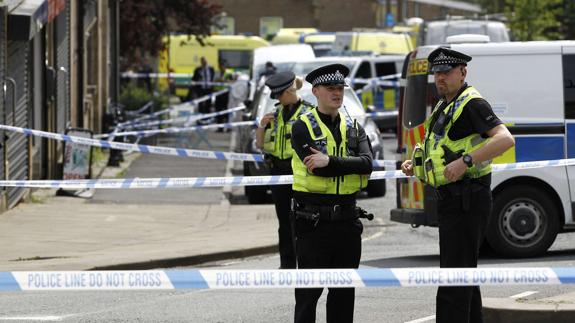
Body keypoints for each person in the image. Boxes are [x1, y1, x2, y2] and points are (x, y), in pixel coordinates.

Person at [400, 47, 515, 323]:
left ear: (463, 73)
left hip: (467, 198)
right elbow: (440, 147)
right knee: (464, 274)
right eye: (437, 72)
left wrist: (466, 161)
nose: (440, 77)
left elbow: (505, 139)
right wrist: (413, 165)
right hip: (453, 199)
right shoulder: (444, 103)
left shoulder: (472, 103)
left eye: (446, 72)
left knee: (454, 279)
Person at [290, 64, 374, 323]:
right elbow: (318, 171)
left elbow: (368, 163)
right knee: (308, 295)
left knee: (343, 295)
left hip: (347, 223)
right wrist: (345, 164)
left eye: (340, 88)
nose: (337, 93)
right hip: (312, 223)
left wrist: (331, 161)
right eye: (330, 89)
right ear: (315, 91)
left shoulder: (354, 127)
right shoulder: (302, 126)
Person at [256, 71, 314, 269]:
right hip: (278, 172)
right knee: (283, 220)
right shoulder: (276, 114)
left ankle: (305, 263)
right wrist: (262, 126)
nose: (278, 99)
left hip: (298, 173)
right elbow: (260, 144)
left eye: (280, 94)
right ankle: (287, 264)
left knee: (302, 219)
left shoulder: (308, 113)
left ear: (290, 91)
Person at [214, 60, 233, 130]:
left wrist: (224, 81)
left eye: (223, 66)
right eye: (220, 66)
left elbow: (232, 81)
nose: (222, 67)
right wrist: (219, 80)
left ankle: (228, 127)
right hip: (218, 93)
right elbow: (214, 81)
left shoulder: (229, 73)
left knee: (226, 110)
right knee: (218, 110)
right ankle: (220, 128)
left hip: (226, 94)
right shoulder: (217, 73)